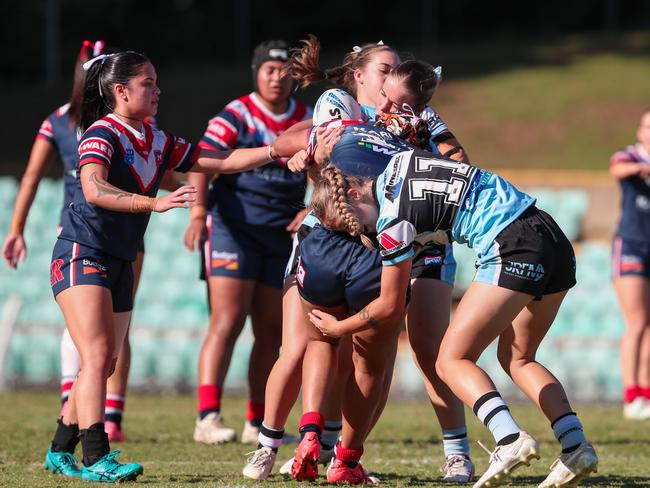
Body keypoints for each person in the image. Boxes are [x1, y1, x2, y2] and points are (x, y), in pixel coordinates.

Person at [43, 50, 293, 482]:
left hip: (119, 258)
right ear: (120, 91)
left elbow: (223, 160)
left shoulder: (155, 139)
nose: (158, 91)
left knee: (104, 363)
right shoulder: (102, 133)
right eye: (148, 83)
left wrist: (274, 149)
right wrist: (153, 202)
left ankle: (59, 450)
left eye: (157, 82)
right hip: (81, 252)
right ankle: (96, 457)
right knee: (99, 354)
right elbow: (94, 188)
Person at [246, 40, 474, 482]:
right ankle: (278, 446)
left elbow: (459, 160)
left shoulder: (420, 115)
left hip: (419, 238)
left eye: (398, 69)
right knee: (308, 347)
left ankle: (453, 452)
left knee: (425, 351)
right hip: (342, 237)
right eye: (385, 69)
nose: (394, 77)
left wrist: (422, 153)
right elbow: (295, 143)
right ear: (361, 76)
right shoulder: (342, 105)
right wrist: (305, 151)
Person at [307, 150, 599, 488]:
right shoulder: (402, 161)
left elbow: (389, 305)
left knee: (450, 360)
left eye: (353, 222)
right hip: (549, 233)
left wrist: (338, 328)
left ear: (356, 194)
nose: (362, 232)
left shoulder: (391, 221)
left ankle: (509, 439)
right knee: (518, 357)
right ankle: (575, 445)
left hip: (510, 243)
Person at [1, 40, 138, 442]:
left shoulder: (136, 128)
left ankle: (102, 413)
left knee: (112, 332)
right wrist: (16, 228)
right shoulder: (62, 122)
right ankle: (82, 412)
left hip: (126, 230)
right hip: (81, 233)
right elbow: (30, 175)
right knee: (89, 333)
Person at [183, 40, 312, 446]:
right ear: (256, 73)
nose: (277, 77)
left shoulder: (308, 118)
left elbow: (329, 169)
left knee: (271, 332)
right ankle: (207, 418)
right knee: (227, 321)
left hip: (280, 235)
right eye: (269, 70)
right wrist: (199, 212)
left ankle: (258, 422)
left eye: (285, 70)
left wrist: (311, 210)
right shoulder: (236, 114)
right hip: (231, 230)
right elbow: (202, 159)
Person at [610, 109, 650, 420]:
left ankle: (645, 394)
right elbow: (617, 169)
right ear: (640, 131)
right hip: (631, 246)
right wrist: (641, 168)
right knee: (636, 321)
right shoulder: (629, 156)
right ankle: (630, 393)